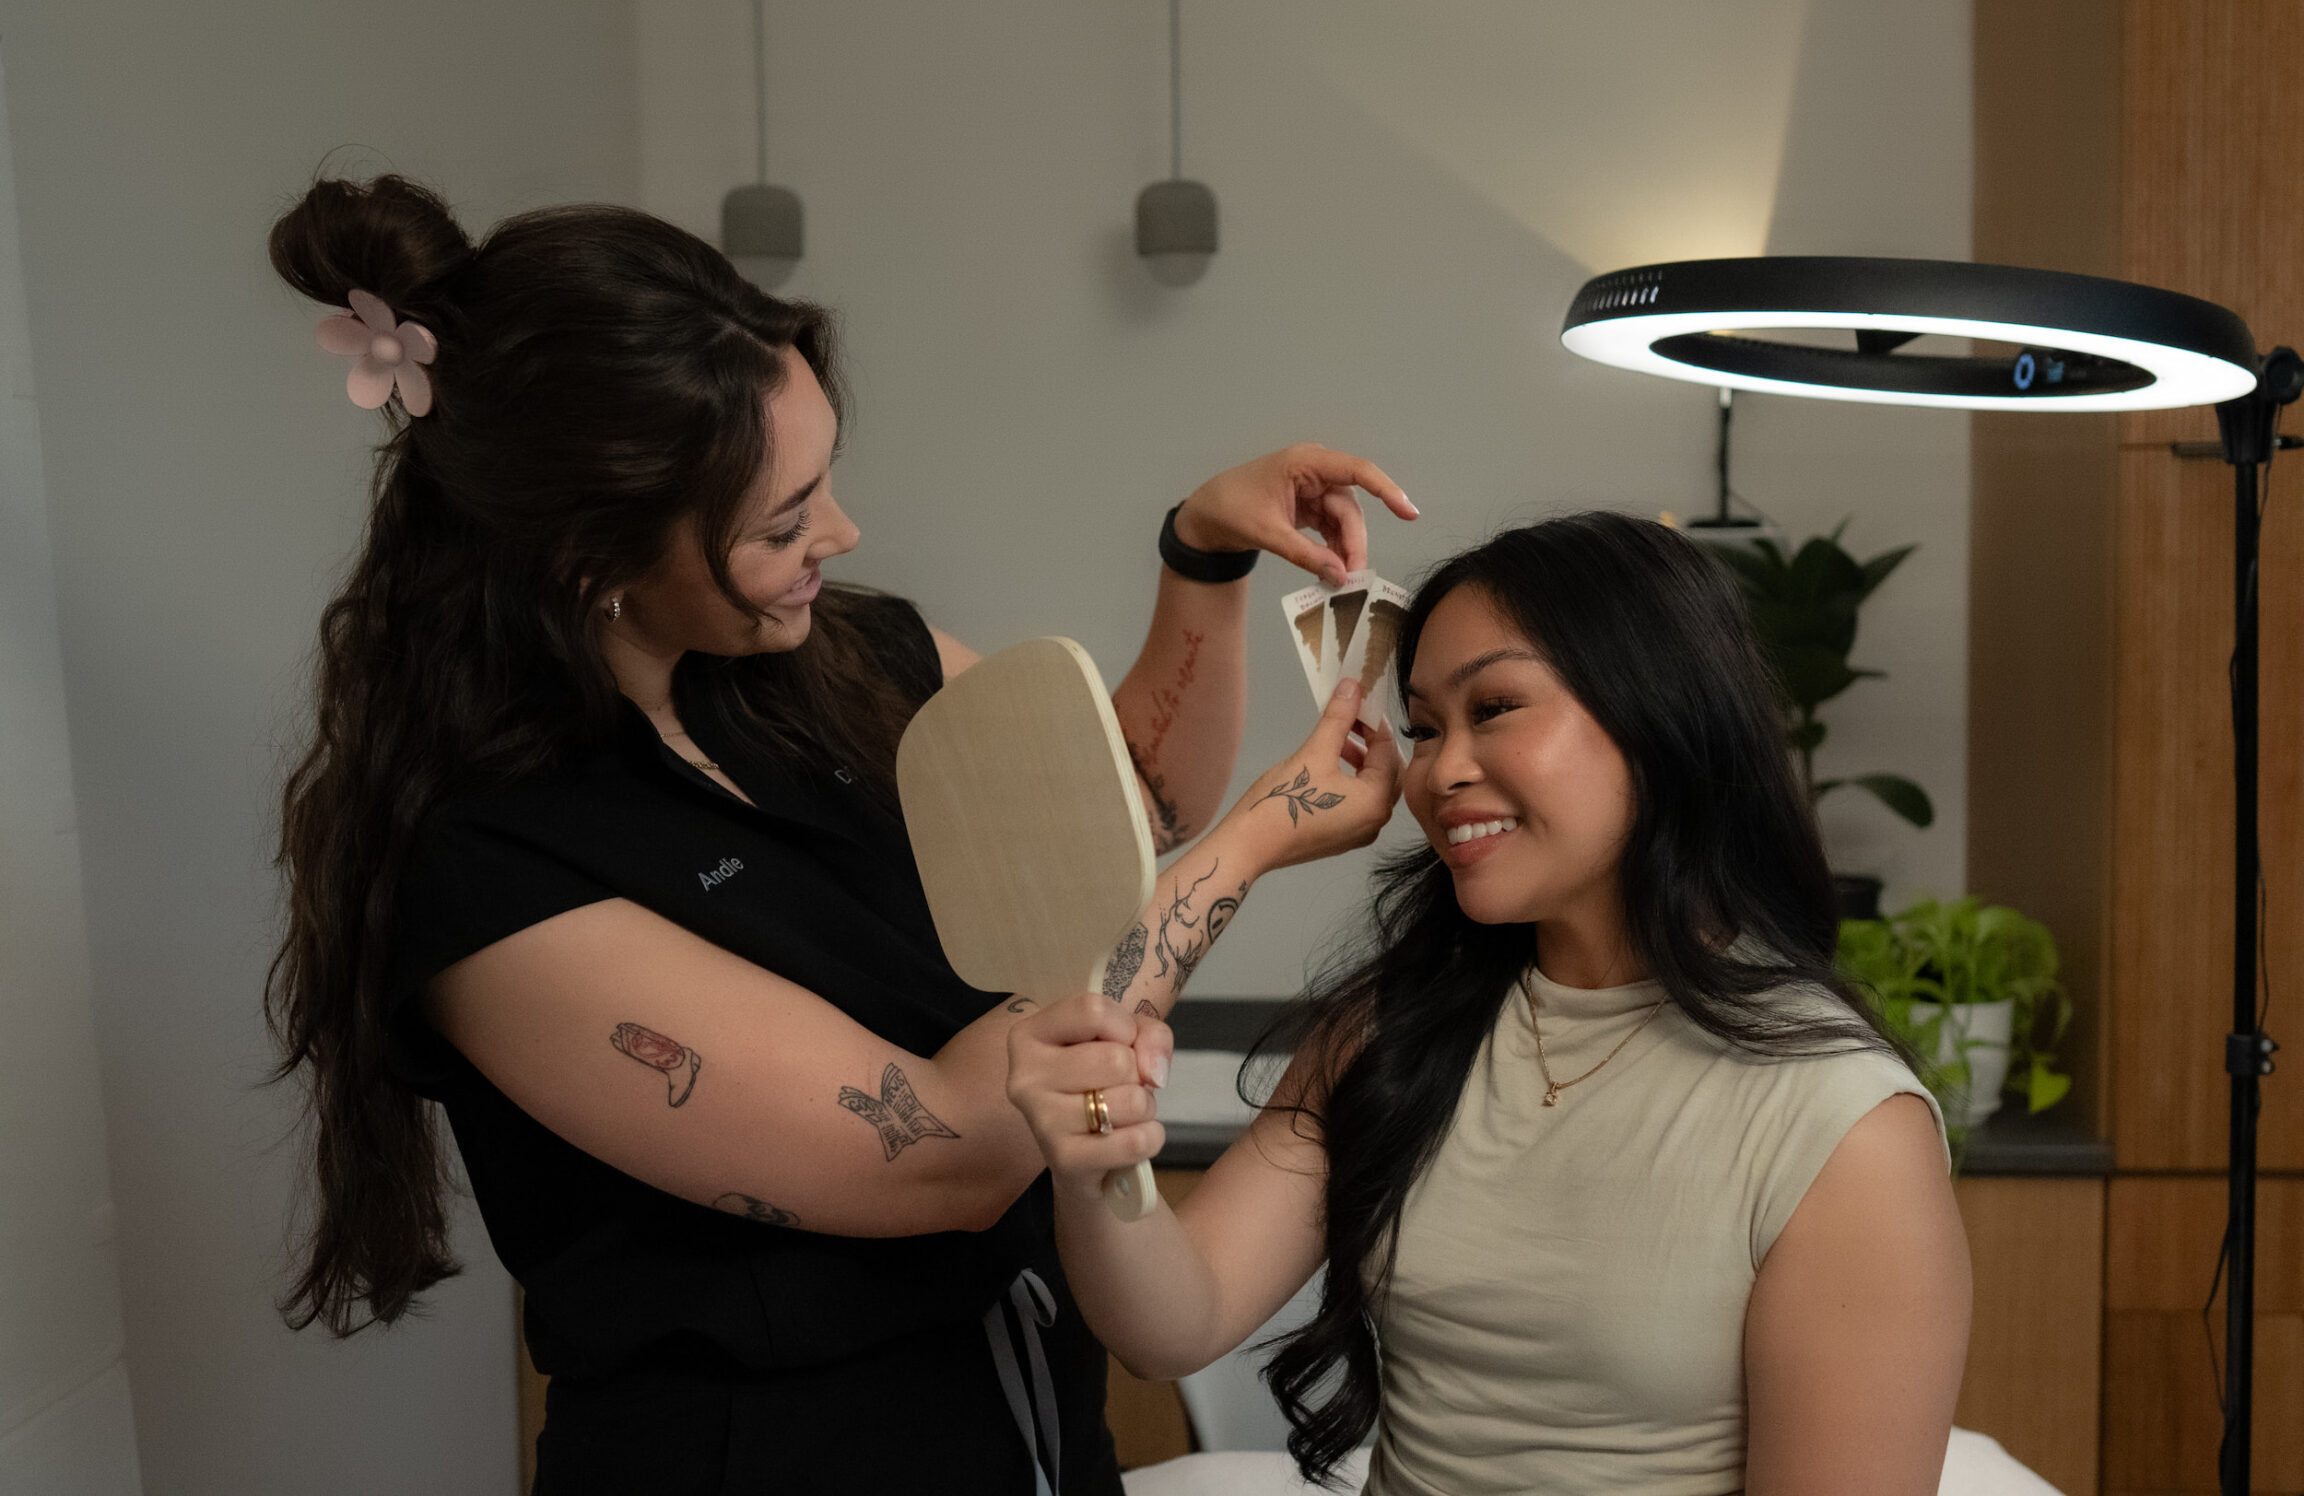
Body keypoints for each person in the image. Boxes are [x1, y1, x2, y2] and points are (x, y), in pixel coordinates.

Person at [262, 173, 1417, 1494]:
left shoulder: (841, 655)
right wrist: (1259, 840)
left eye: (825, 480)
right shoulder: (489, 872)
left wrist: (1203, 553)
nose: (843, 533)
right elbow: (949, 1154)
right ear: (588, 558)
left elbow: (1131, 813)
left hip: (1032, 1427)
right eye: (781, 519)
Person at [1007, 512, 1973, 1496]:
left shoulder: (1844, 1128)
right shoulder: (1397, 1029)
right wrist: (1095, 1167)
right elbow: (1174, 1324)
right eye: (1424, 727)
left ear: (1661, 713)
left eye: (1495, 706)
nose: (1440, 770)